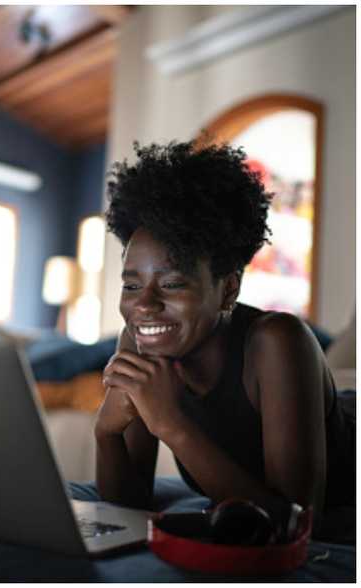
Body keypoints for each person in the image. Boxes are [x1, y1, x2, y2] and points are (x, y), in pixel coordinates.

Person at [94, 140, 355, 542]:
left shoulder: (278, 341)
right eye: (131, 285)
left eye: (172, 283)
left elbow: (298, 525)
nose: (144, 305)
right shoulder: (140, 340)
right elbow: (128, 503)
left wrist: (170, 424)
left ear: (229, 288)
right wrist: (106, 434)